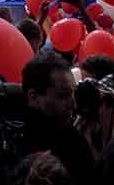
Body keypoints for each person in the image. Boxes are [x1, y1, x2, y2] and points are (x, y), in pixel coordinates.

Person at [14, 54, 96, 184]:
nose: (73, 105)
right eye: (63, 95)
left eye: (73, 93)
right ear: (33, 97)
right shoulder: (70, 143)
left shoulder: (70, 135)